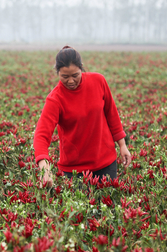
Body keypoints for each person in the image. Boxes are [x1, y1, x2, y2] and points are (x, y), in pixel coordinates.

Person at [33, 45, 132, 187]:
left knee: (108, 207)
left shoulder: (98, 81)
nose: (71, 81)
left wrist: (122, 145)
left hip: (106, 163)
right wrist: (44, 166)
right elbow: (42, 134)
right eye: (65, 77)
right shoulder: (55, 99)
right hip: (74, 171)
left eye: (75, 75)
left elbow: (112, 114)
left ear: (82, 68)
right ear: (57, 73)